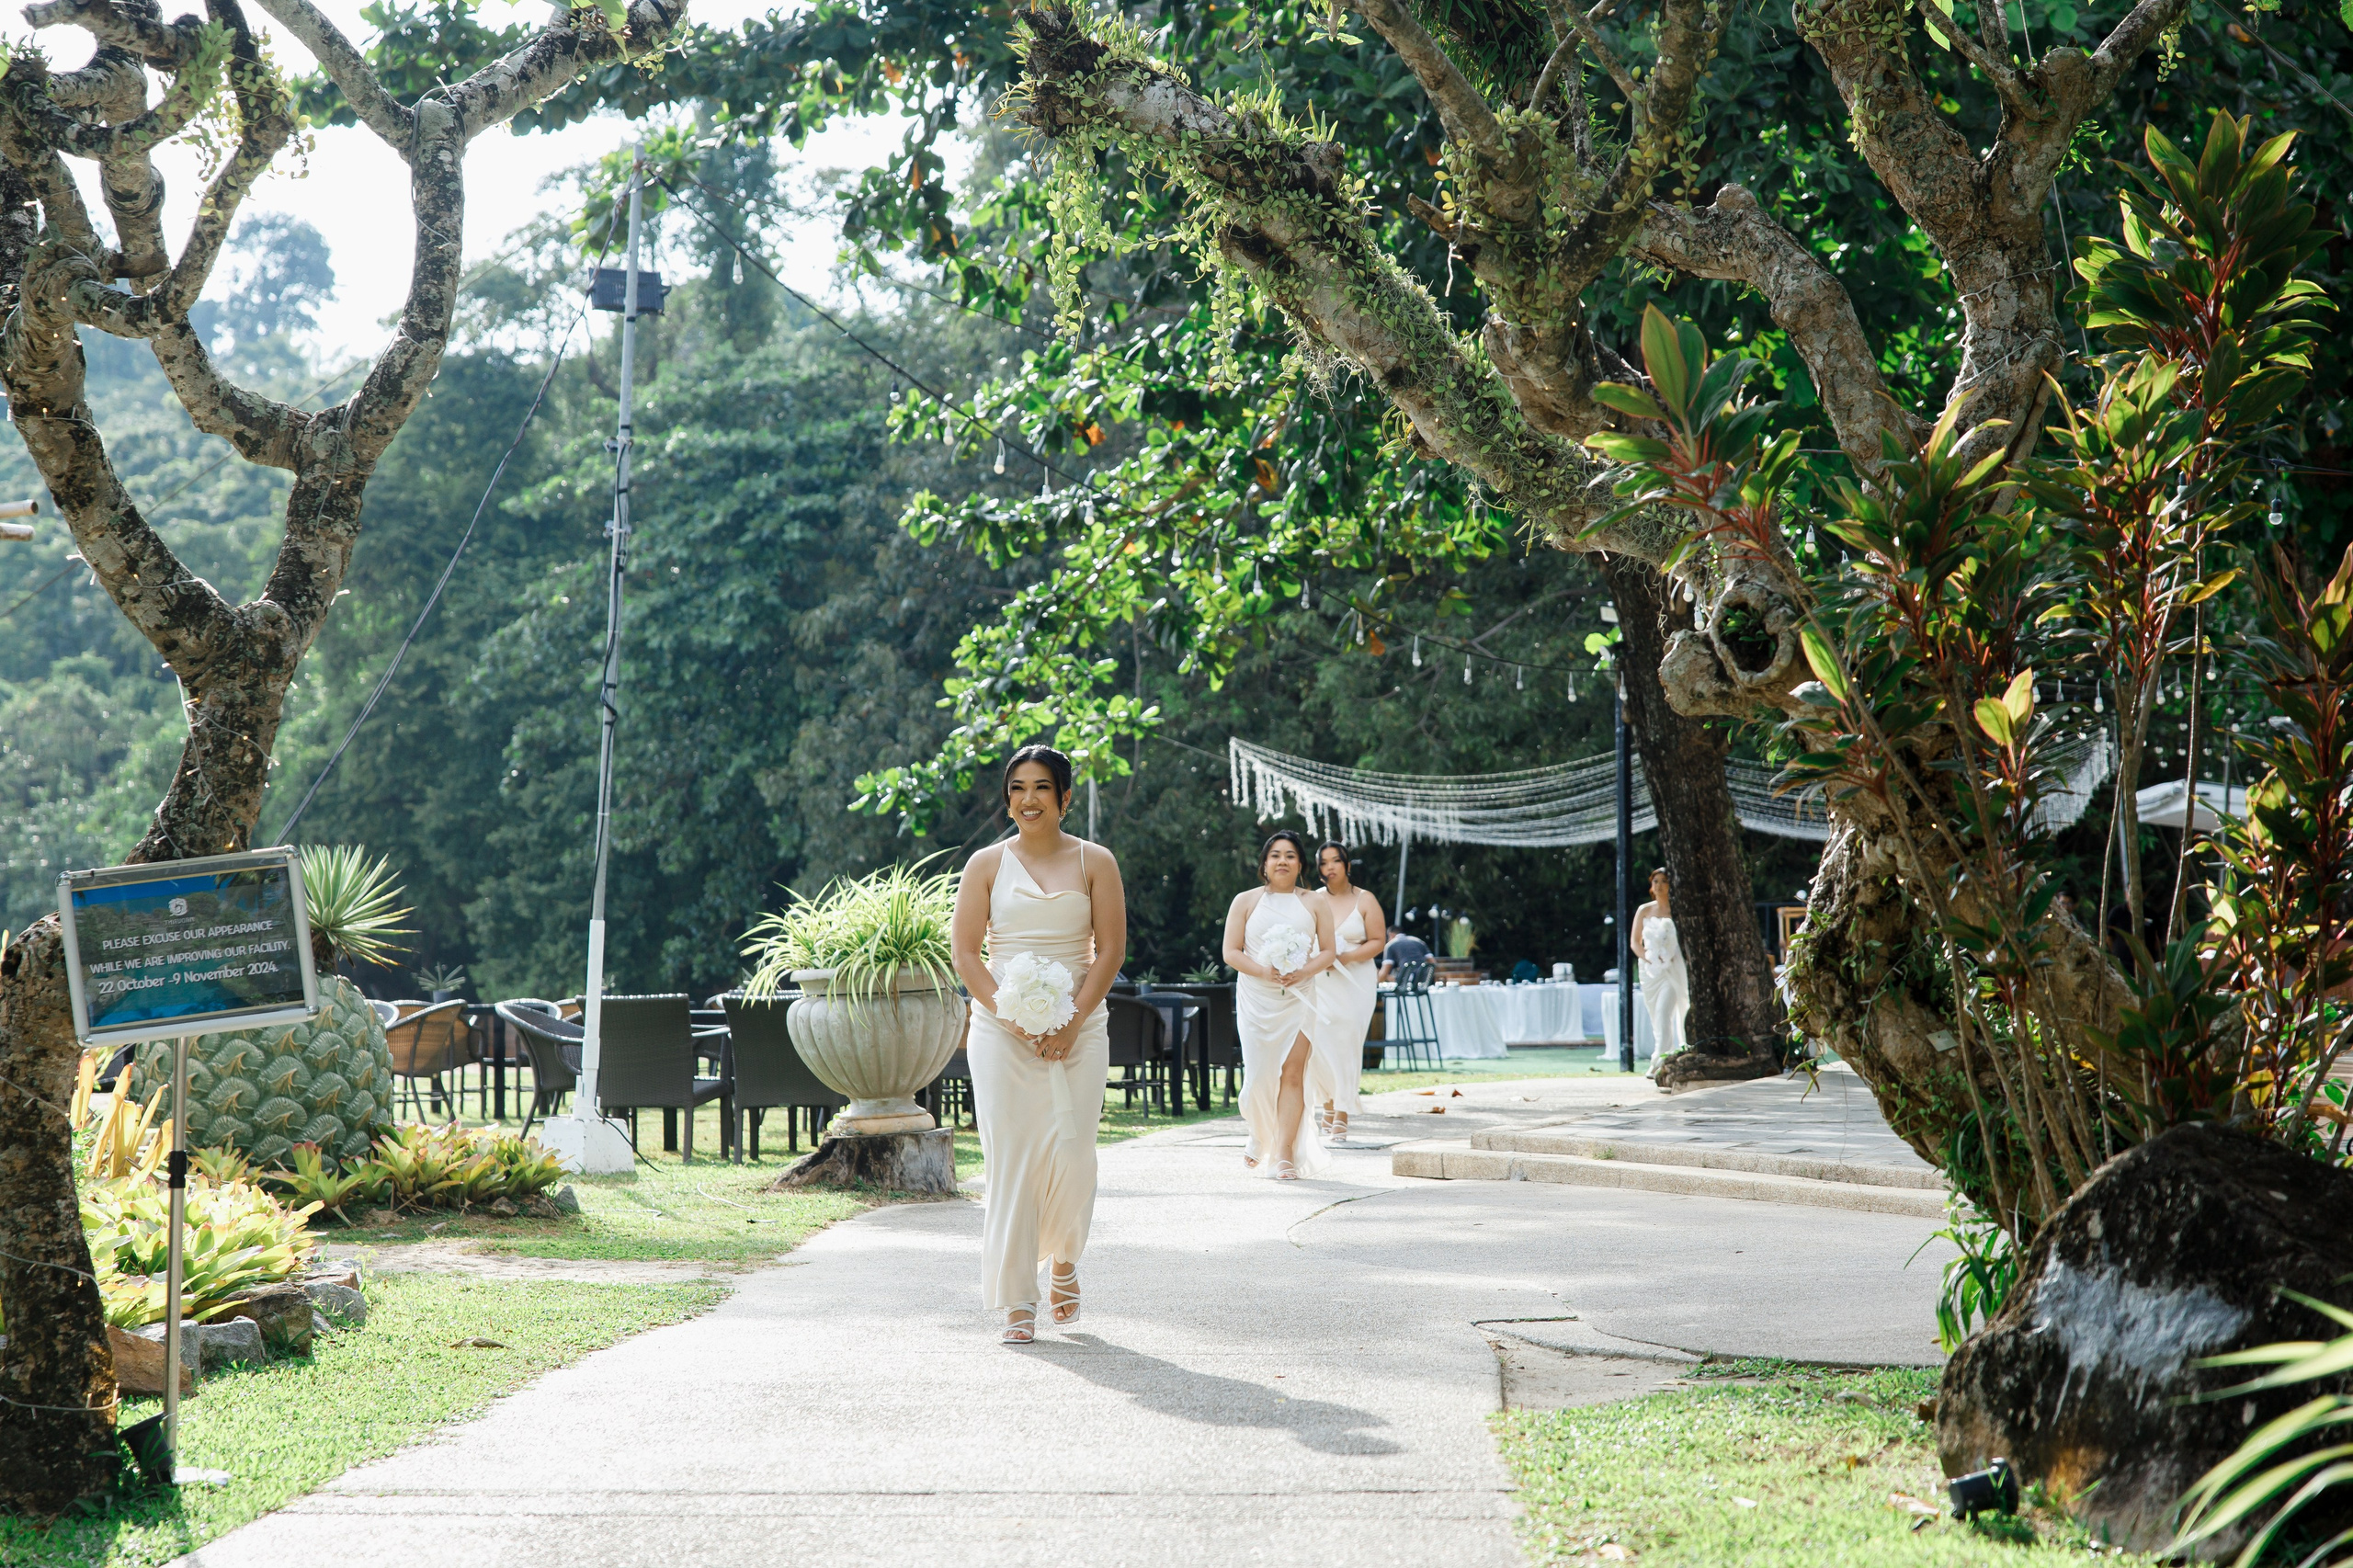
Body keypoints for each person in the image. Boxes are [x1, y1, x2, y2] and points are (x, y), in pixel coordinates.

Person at [951, 744, 1128, 1345]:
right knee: (1013, 1160)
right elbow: (967, 954)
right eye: (1018, 788)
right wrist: (1014, 1016)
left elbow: (1110, 952)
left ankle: (1065, 1260)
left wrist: (1072, 1020)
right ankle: (1017, 1299)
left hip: (1081, 1028)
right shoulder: (985, 865)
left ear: (1065, 797)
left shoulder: (1095, 861)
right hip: (1002, 1034)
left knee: (1074, 1155)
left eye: (1042, 788)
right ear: (1008, 797)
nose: (1029, 799)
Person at [1222, 829, 1338, 1179]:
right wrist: (1263, 971)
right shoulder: (1245, 900)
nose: (1282, 861)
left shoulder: (1315, 902)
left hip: (1300, 999)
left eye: (1289, 855)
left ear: (1300, 863)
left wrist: (1303, 971)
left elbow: (1330, 952)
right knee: (1257, 1078)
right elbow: (1230, 952)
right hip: (1257, 998)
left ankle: (1285, 1153)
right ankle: (1259, 1134)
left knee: (1292, 1075)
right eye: (1275, 855)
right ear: (1265, 863)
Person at [1309, 841, 1386, 1143]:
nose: (1330, 867)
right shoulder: (1312, 900)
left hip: (1356, 981)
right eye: (1324, 863)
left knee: (1345, 1043)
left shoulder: (1365, 900)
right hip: (1322, 981)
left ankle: (1342, 1112)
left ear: (1347, 865)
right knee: (1319, 1044)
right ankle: (1328, 1104)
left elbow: (1378, 941)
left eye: (1336, 861)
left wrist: (1345, 957)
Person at [1631, 867, 1688, 1075]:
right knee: (1656, 1014)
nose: (1659, 885)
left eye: (1664, 881)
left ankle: (1659, 1062)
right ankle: (1665, 1058)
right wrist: (1650, 958)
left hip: (1673, 967)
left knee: (1665, 1012)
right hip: (1650, 969)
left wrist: (1669, 955)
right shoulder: (1644, 910)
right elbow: (1635, 943)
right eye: (1656, 881)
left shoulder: (1678, 909)